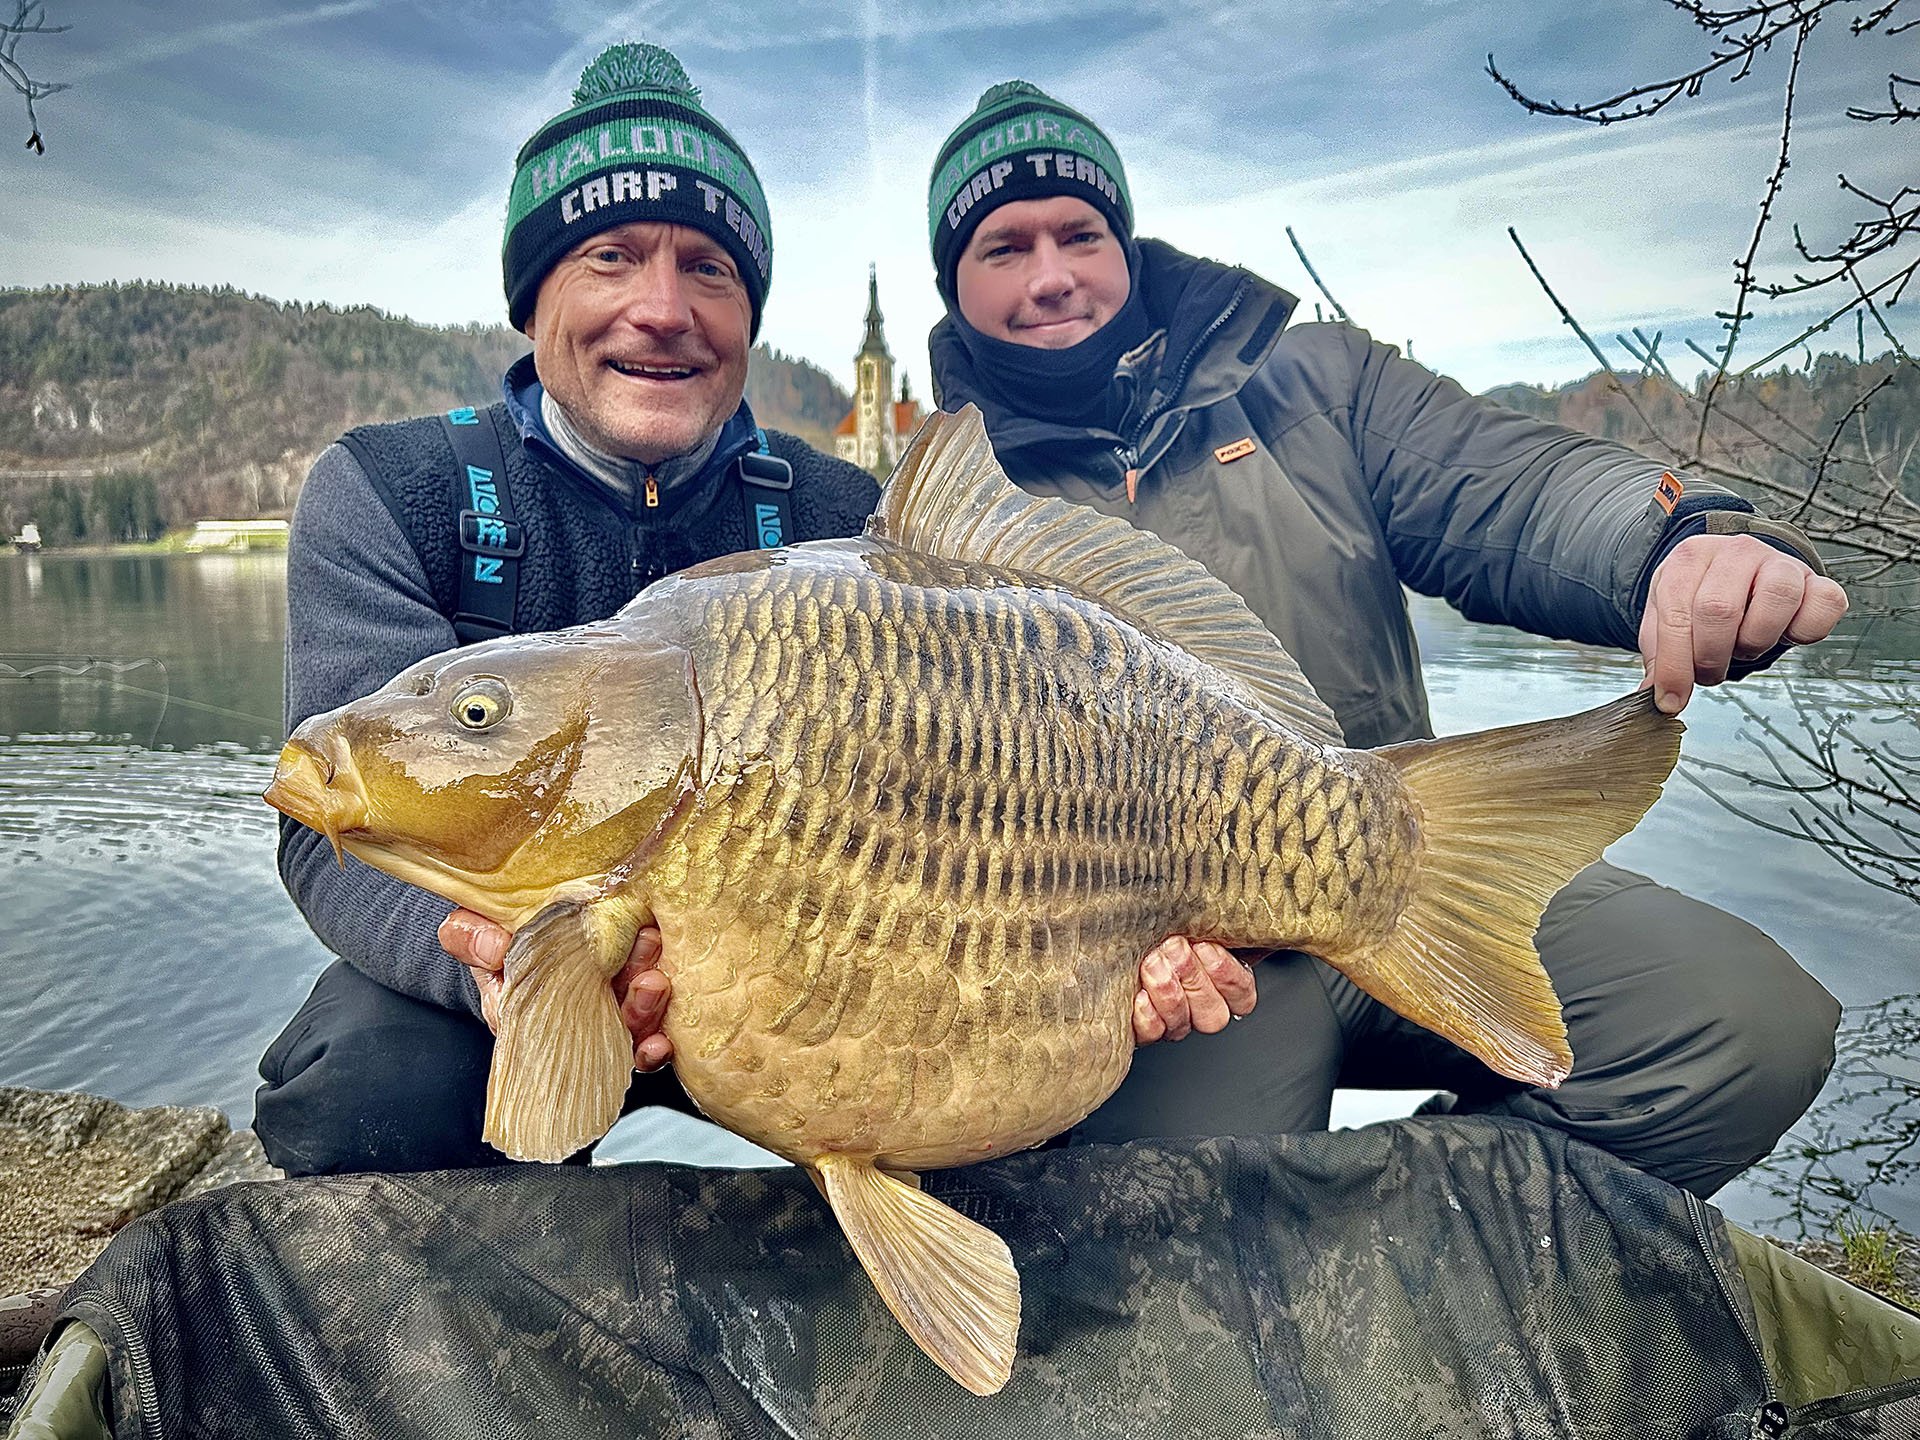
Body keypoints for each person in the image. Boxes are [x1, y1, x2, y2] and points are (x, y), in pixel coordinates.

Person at [256, 47, 1237, 1176]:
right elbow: (325, 832)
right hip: (516, 975)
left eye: (711, 270)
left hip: (810, 987)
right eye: (610, 256)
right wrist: (497, 968)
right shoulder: (396, 493)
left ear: (749, 316)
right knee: (366, 1091)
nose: (662, 308)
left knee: (1013, 1114)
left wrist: (1107, 941)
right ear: (536, 297)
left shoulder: (844, 513)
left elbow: (985, 793)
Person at [917, 81, 1851, 1198]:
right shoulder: (948, 510)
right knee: (1175, 1247)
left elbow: (1511, 485)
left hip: (1413, 865)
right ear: (954, 287)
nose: (1051, 273)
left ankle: (1435, 1249)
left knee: (1742, 1030)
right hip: (1173, 972)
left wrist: (1674, 542)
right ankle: (1312, 1263)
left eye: (1079, 233)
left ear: (1127, 244)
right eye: (1002, 247)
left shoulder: (1318, 382)